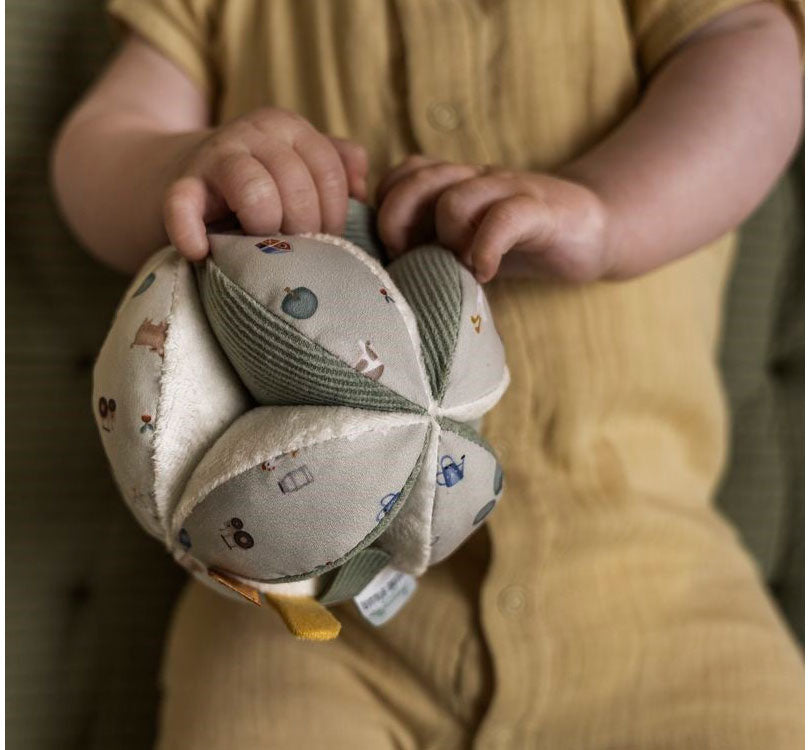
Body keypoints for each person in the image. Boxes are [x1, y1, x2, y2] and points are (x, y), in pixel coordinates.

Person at [51, 1, 804, 747]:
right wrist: (181, 167)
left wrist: (607, 212)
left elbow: (750, 49)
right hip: (296, 604)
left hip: (658, 589)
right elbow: (99, 144)